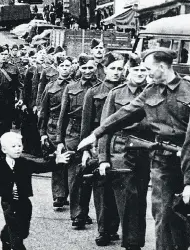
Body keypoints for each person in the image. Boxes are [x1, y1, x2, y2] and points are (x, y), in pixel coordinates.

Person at [78, 47, 190, 250]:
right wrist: (96, 134)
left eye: (148, 68)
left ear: (162, 66)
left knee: (187, 216)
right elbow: (124, 113)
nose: (146, 73)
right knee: (162, 214)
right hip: (163, 161)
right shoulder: (150, 91)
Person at [0, 131, 70, 250]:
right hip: (8, 203)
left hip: (24, 202)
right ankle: (12, 241)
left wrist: (56, 162)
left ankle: (5, 236)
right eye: (13, 146)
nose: (17, 149)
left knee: (23, 232)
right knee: (16, 236)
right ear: (4, 150)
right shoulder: (0, 166)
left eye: (19, 146)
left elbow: (42, 167)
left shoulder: (25, 163)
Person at [98, 54, 152, 250]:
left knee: (139, 197)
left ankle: (129, 237)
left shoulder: (154, 92)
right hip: (120, 149)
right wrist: (103, 158)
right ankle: (131, 243)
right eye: (136, 70)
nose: (139, 73)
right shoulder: (116, 93)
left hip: (145, 150)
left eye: (143, 70)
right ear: (128, 72)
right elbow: (106, 126)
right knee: (128, 196)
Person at [80, 51, 125, 246]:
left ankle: (113, 227)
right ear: (104, 69)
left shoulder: (128, 90)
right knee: (102, 188)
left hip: (121, 145)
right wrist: (86, 149)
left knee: (119, 188)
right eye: (113, 68)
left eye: (120, 69)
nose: (116, 72)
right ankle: (104, 229)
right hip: (100, 143)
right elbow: (87, 123)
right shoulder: (94, 92)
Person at [56, 54, 100, 229]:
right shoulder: (71, 87)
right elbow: (63, 115)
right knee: (75, 176)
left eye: (90, 67)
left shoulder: (101, 87)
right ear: (79, 69)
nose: (87, 71)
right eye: (84, 68)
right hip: (74, 135)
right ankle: (78, 214)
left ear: (95, 67)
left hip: (95, 134)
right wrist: (60, 140)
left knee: (95, 176)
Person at [38, 56, 73, 210]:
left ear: (72, 68)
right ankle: (59, 195)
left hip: (70, 129)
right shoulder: (50, 87)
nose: (65, 68)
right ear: (58, 68)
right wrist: (42, 133)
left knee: (71, 162)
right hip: (53, 128)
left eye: (68, 66)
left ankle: (68, 194)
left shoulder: (75, 86)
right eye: (63, 66)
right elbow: (43, 111)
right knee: (58, 161)